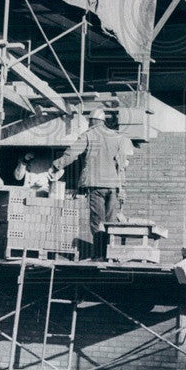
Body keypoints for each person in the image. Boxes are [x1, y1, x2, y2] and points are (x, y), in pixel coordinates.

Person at [49, 109, 134, 258]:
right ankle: (110, 255)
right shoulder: (118, 137)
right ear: (103, 121)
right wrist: (122, 187)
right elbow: (122, 165)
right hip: (114, 186)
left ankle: (99, 255)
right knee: (111, 223)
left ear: (92, 121)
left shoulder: (88, 135)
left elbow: (72, 153)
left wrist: (56, 165)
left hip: (96, 185)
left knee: (97, 222)